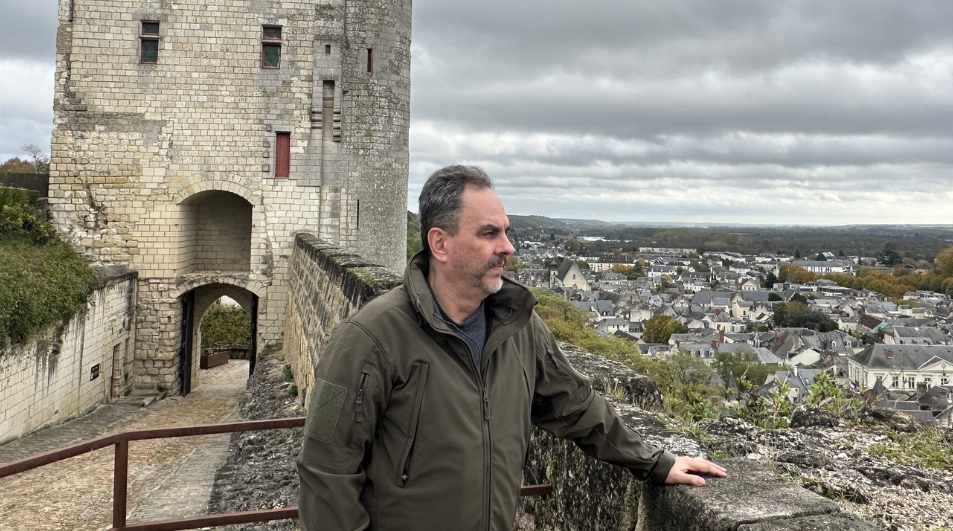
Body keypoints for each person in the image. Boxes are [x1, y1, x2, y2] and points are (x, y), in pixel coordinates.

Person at [298, 165, 726, 531]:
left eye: (506, 231)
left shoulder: (518, 326)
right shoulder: (368, 338)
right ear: (439, 243)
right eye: (489, 233)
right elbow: (326, 472)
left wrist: (654, 462)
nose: (508, 247)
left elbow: (575, 406)